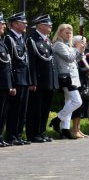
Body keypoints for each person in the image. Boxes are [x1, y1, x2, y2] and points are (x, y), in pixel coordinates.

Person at [26, 14, 57, 143]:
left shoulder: (48, 41)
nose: (50, 26)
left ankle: (41, 132)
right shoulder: (32, 40)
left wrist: (55, 81)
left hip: (49, 80)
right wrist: (33, 81)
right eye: (47, 24)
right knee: (35, 109)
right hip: (39, 81)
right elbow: (31, 63)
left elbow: (52, 62)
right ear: (40, 26)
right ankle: (33, 134)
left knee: (45, 109)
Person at [51, 23, 83, 140]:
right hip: (66, 77)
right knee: (77, 101)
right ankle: (57, 119)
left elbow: (76, 60)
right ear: (60, 33)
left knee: (69, 103)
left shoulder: (68, 45)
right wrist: (76, 49)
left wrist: (80, 52)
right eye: (66, 32)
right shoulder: (58, 45)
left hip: (73, 77)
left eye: (70, 33)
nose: (69, 35)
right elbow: (69, 58)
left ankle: (65, 129)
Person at [3, 12, 30, 146]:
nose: (25, 24)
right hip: (16, 78)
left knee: (22, 109)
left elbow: (26, 62)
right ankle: (11, 135)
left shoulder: (20, 38)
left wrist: (29, 80)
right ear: (14, 24)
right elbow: (9, 62)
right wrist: (12, 83)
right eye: (22, 22)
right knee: (14, 109)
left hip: (24, 78)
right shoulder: (9, 39)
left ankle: (18, 135)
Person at [70, 35, 89, 139]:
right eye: (82, 42)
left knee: (82, 108)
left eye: (85, 42)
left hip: (84, 83)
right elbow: (77, 69)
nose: (84, 45)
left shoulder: (83, 55)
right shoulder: (74, 53)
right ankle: (74, 129)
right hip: (77, 83)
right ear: (75, 43)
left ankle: (78, 129)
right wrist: (87, 70)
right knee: (77, 108)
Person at [0, 13, 11, 147]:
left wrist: (10, 84)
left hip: (4, 83)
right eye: (1, 23)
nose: (3, 25)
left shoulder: (2, 42)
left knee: (3, 112)